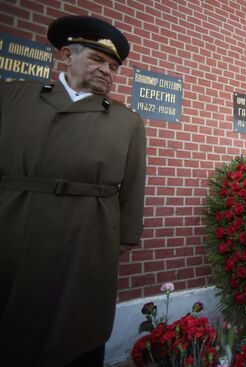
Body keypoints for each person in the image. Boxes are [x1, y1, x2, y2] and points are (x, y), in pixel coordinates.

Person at [0, 16, 146, 367]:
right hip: (14, 223)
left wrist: (124, 237)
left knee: (77, 326)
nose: (106, 71)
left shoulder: (127, 122)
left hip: (88, 236)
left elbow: (133, 184)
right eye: (96, 59)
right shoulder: (13, 97)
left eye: (112, 66)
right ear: (67, 54)